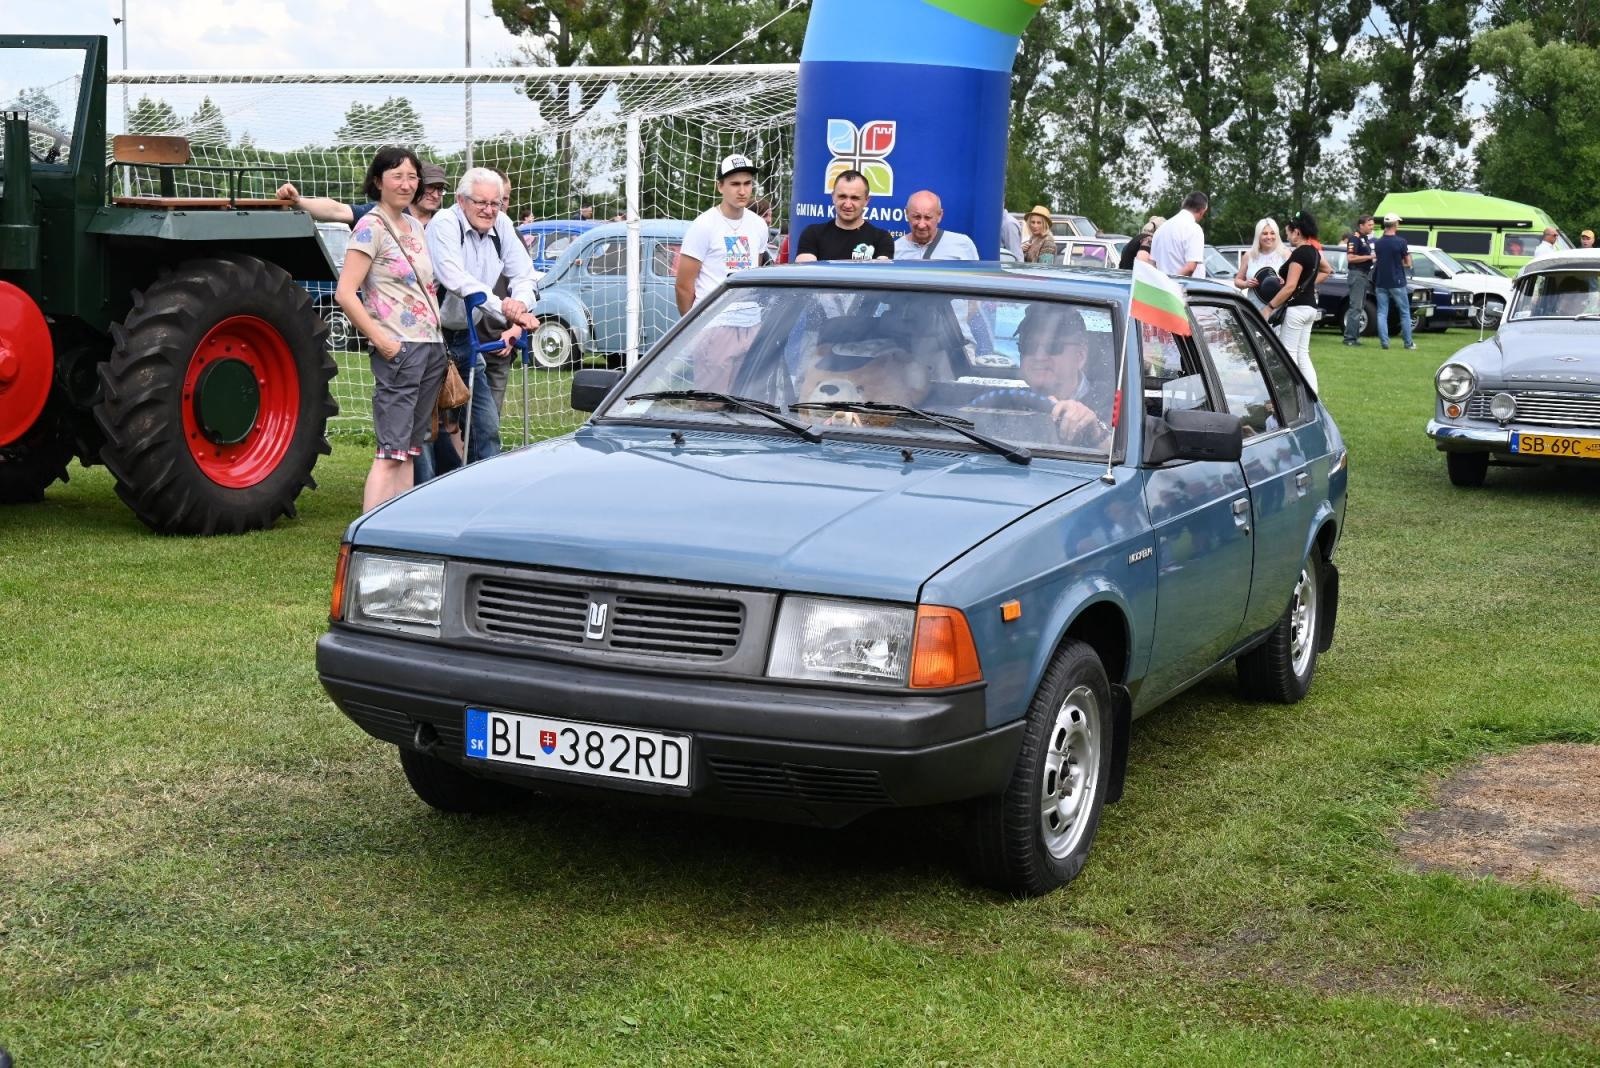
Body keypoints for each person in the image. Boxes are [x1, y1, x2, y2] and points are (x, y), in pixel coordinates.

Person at [335, 146, 447, 512]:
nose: (406, 183)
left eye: (412, 176)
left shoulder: (415, 225)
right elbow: (345, 293)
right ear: (377, 181)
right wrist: (383, 341)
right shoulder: (370, 226)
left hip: (430, 347)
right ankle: (365, 535)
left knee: (410, 450)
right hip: (398, 349)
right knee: (390, 452)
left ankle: (396, 531)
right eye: (397, 176)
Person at [426, 167, 539, 466]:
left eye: (496, 203)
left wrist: (520, 304)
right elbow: (456, 279)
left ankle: (481, 490)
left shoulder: (502, 224)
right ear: (461, 200)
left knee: (485, 428)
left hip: (465, 337)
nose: (489, 210)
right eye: (481, 203)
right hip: (428, 338)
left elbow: (525, 275)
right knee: (424, 429)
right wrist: (503, 306)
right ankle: (417, 494)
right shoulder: (444, 223)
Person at [993, 304, 1113, 449]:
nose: (1039, 356)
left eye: (1053, 346)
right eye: (1028, 345)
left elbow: (1122, 460)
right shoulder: (1005, 403)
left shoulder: (1113, 404)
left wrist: (1095, 431)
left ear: (1080, 356)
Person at [675, 153, 772, 314]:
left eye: (747, 183)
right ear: (720, 186)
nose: (742, 191)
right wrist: (693, 329)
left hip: (749, 319)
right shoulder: (703, 225)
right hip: (711, 320)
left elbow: (754, 273)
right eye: (735, 184)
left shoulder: (759, 225)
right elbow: (683, 286)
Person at [278, 161, 448, 227]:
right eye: (430, 187)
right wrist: (298, 201)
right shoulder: (383, 213)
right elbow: (337, 210)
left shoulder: (446, 222)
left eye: (440, 189)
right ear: (416, 185)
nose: (436, 194)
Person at [1262, 211, 1324, 391]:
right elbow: (1328, 270)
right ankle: (1313, 395)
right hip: (1310, 308)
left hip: (1297, 309)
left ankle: (1294, 395)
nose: (1287, 236)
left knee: (1288, 354)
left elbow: (1289, 287)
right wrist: (1304, 286)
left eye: (1288, 232)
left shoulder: (1299, 254)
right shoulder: (1314, 252)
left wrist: (1269, 307)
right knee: (1303, 354)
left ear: (1297, 232)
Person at [795, 170, 894, 262]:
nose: (847, 204)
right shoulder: (812, 234)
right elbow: (807, 274)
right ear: (833, 196)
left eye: (855, 198)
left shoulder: (882, 239)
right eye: (842, 196)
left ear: (867, 200)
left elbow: (879, 275)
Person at [1372, 212, 1416, 351]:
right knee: (1404, 312)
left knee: (1382, 312)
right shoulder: (1401, 242)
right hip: (1397, 281)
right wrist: (1399, 263)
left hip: (1381, 281)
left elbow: (1378, 260)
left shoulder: (1378, 243)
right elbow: (1408, 263)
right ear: (1395, 224)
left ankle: (1385, 343)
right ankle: (1408, 343)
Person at [893, 190, 980, 260]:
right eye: (916, 217)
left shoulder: (963, 245)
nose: (921, 225)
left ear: (940, 215)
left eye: (927, 217)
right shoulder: (895, 250)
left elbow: (975, 279)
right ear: (907, 214)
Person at [1232, 217, 1288, 310]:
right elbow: (1237, 281)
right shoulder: (1248, 255)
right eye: (1265, 233)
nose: (1269, 237)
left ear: (1277, 235)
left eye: (1272, 233)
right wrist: (1246, 283)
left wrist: (1284, 281)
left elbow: (1294, 282)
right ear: (1258, 235)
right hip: (1254, 310)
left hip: (1278, 310)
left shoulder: (1285, 254)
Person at [1150, 191, 1208, 276]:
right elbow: (1190, 267)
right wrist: (1173, 284)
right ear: (1202, 211)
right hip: (1186, 287)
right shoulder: (1194, 228)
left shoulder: (1161, 229)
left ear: (1183, 206)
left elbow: (1152, 264)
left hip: (1161, 286)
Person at [1343, 214, 1376, 346]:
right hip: (1357, 274)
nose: (1372, 227)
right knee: (1355, 307)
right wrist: (1369, 257)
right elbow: (1350, 258)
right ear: (1361, 225)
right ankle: (1350, 338)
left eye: (1372, 225)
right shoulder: (1354, 239)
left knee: (1360, 306)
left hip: (1363, 275)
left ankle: (1354, 337)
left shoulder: (1364, 239)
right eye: (1369, 225)